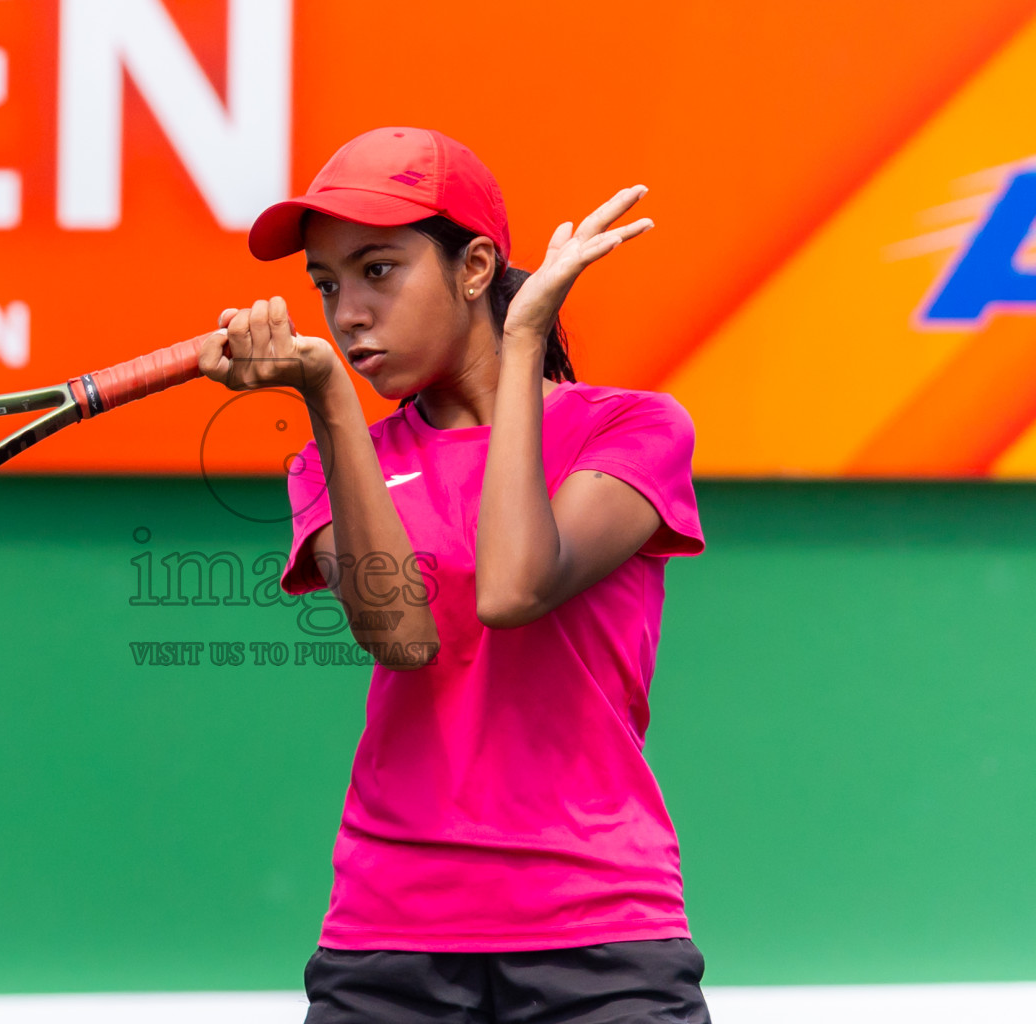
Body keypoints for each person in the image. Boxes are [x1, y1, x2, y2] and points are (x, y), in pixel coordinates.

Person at [199, 127, 710, 1023]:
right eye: (327, 285)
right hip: (387, 943)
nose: (347, 312)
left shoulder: (632, 429)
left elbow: (515, 587)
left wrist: (524, 344)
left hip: (599, 934)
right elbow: (400, 636)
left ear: (476, 267)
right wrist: (325, 398)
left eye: (379, 271)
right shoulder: (334, 460)